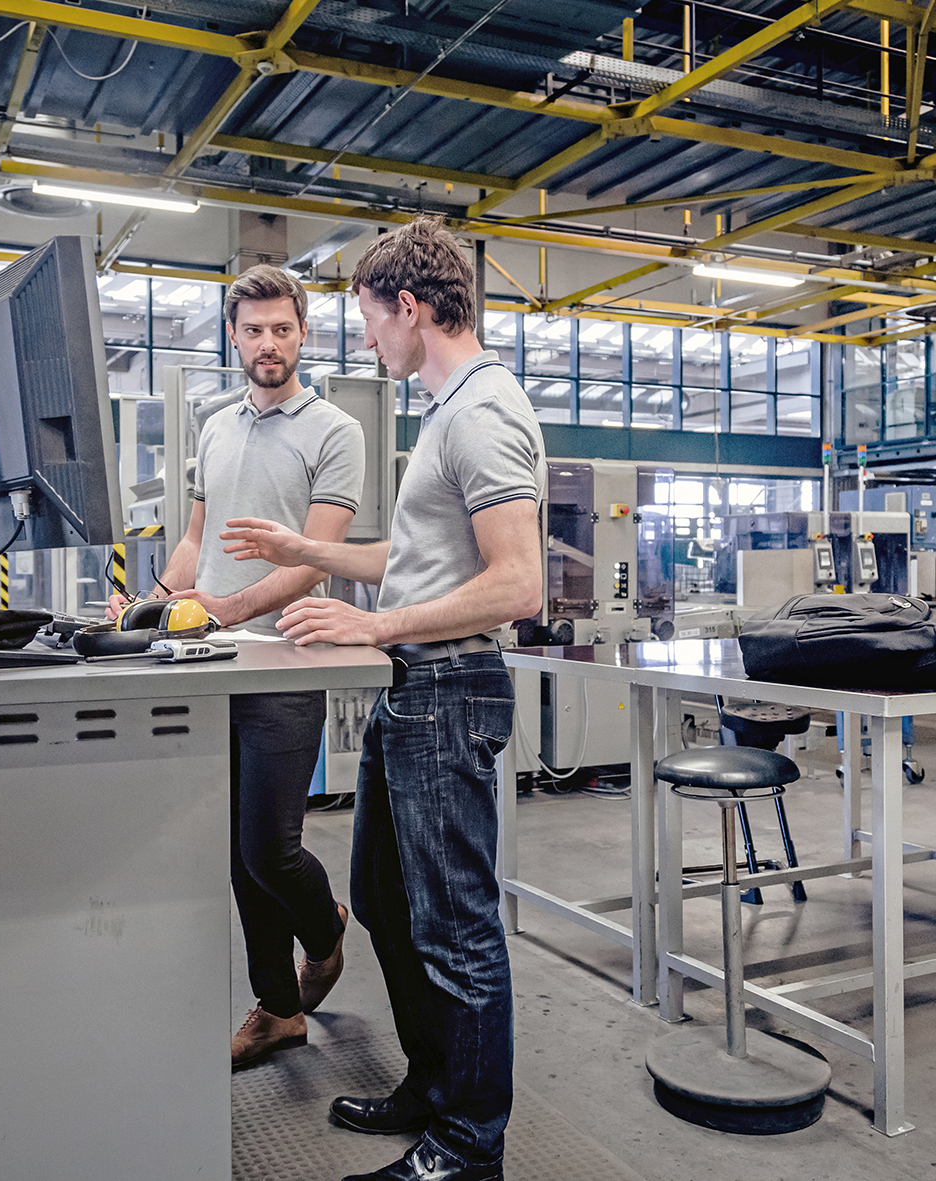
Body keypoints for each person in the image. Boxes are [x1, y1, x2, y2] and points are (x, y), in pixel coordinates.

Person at [220, 218, 544, 1181]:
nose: (368, 342)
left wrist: (373, 627)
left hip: (447, 685)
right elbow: (411, 561)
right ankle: (432, 1089)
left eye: (370, 322)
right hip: (417, 687)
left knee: (456, 926)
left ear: (410, 308)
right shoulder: (446, 410)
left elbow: (518, 584)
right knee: (384, 904)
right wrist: (309, 552)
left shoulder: (482, 410)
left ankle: (469, 1144)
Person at [109, 264, 366, 1070]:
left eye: (282, 328)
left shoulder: (335, 432)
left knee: (271, 849)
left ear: (302, 333)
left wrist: (228, 609)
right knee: (233, 851)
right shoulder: (215, 425)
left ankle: (324, 932)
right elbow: (195, 541)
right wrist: (148, 602)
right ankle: (278, 1007)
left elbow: (313, 562)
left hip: (284, 657)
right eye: (253, 330)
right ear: (234, 336)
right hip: (207, 660)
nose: (268, 343)